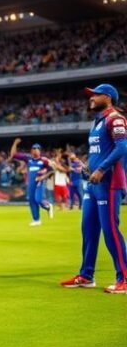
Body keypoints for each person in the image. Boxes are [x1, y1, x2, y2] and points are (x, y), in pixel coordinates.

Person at [61, 84, 127, 293]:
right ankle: (86, 275)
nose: (91, 98)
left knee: (110, 231)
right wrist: (87, 168)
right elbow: (99, 151)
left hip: (109, 183)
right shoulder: (97, 122)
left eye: (95, 95)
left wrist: (101, 169)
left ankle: (124, 278)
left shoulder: (115, 119)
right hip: (93, 183)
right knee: (88, 229)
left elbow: (122, 147)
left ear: (108, 97)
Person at [9, 138, 54, 226]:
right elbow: (13, 155)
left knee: (38, 199)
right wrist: (15, 143)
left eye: (36, 149)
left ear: (40, 150)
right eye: (33, 149)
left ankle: (48, 206)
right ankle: (36, 220)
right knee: (32, 200)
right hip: (31, 183)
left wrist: (43, 177)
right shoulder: (28, 159)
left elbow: (52, 171)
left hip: (39, 182)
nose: (35, 150)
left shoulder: (44, 160)